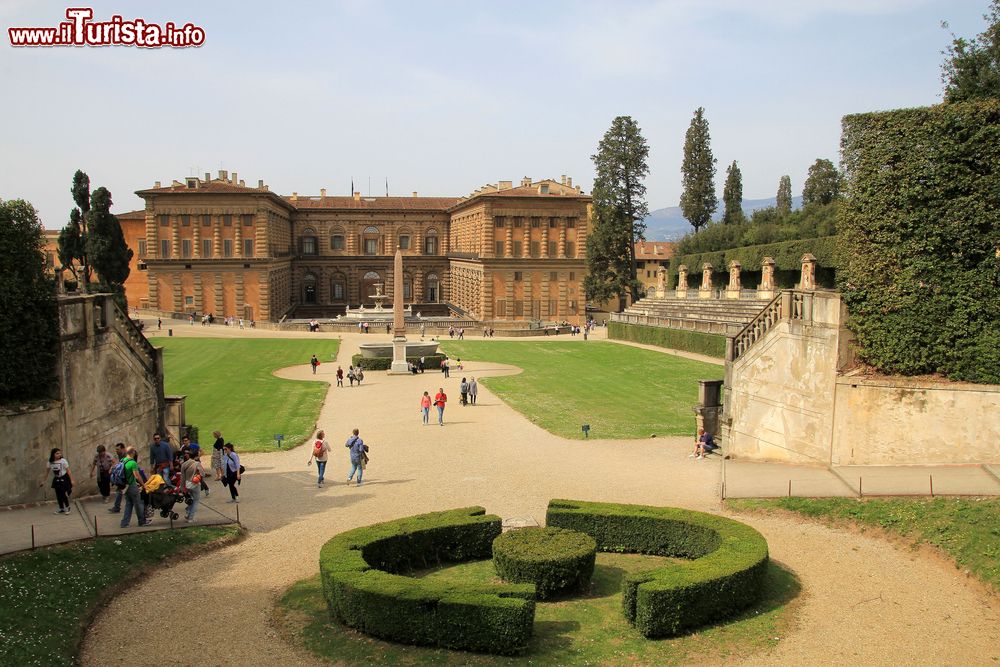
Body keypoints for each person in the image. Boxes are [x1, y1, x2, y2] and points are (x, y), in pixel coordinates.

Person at [120, 446, 148, 528]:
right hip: (132, 485)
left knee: (128, 504)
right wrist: (143, 484)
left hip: (125, 486)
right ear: (133, 452)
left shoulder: (122, 461)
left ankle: (124, 523)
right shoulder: (133, 463)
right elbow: (137, 476)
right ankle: (142, 521)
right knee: (138, 504)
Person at [181, 445, 207, 522]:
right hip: (195, 484)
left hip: (187, 484)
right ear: (196, 457)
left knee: (190, 500)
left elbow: (182, 477)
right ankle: (190, 518)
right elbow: (203, 474)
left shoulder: (184, 464)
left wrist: (182, 487)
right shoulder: (197, 464)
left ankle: (188, 513)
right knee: (195, 501)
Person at [45, 448, 74, 514]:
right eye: (57, 453)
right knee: (58, 494)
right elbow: (47, 472)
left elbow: (68, 471)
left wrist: (72, 480)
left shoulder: (63, 461)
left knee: (63, 494)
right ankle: (61, 508)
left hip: (64, 478)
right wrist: (44, 480)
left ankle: (68, 507)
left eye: (60, 453)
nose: (59, 455)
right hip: (56, 479)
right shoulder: (50, 462)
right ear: (53, 454)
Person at [108, 442, 128, 513]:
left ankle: (141, 508)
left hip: (127, 477)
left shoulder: (126, 456)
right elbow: (115, 463)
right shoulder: (119, 456)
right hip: (122, 477)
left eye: (118, 449)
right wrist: (112, 468)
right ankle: (117, 507)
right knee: (119, 492)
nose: (116, 451)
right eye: (116, 449)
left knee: (133, 494)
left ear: (122, 449)